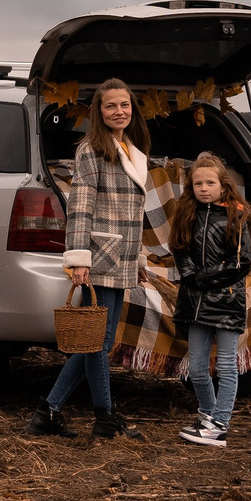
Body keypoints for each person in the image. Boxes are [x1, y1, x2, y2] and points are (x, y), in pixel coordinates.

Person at [29, 78, 149, 440]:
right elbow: (80, 208)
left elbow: (132, 211)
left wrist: (137, 259)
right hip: (99, 255)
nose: (119, 111)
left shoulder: (130, 148)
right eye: (110, 106)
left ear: (132, 108)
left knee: (97, 339)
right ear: (99, 111)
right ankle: (104, 417)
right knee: (98, 340)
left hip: (121, 255)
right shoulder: (91, 150)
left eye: (124, 105)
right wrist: (79, 258)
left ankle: (48, 412)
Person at [173, 153, 251, 447]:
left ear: (223, 185)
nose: (204, 188)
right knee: (196, 368)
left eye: (210, 182)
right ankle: (207, 417)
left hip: (226, 300)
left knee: (225, 366)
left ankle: (220, 424)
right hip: (194, 301)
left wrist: (202, 278)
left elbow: (239, 262)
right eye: (198, 183)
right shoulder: (187, 212)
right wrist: (189, 275)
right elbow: (180, 250)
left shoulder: (237, 214)